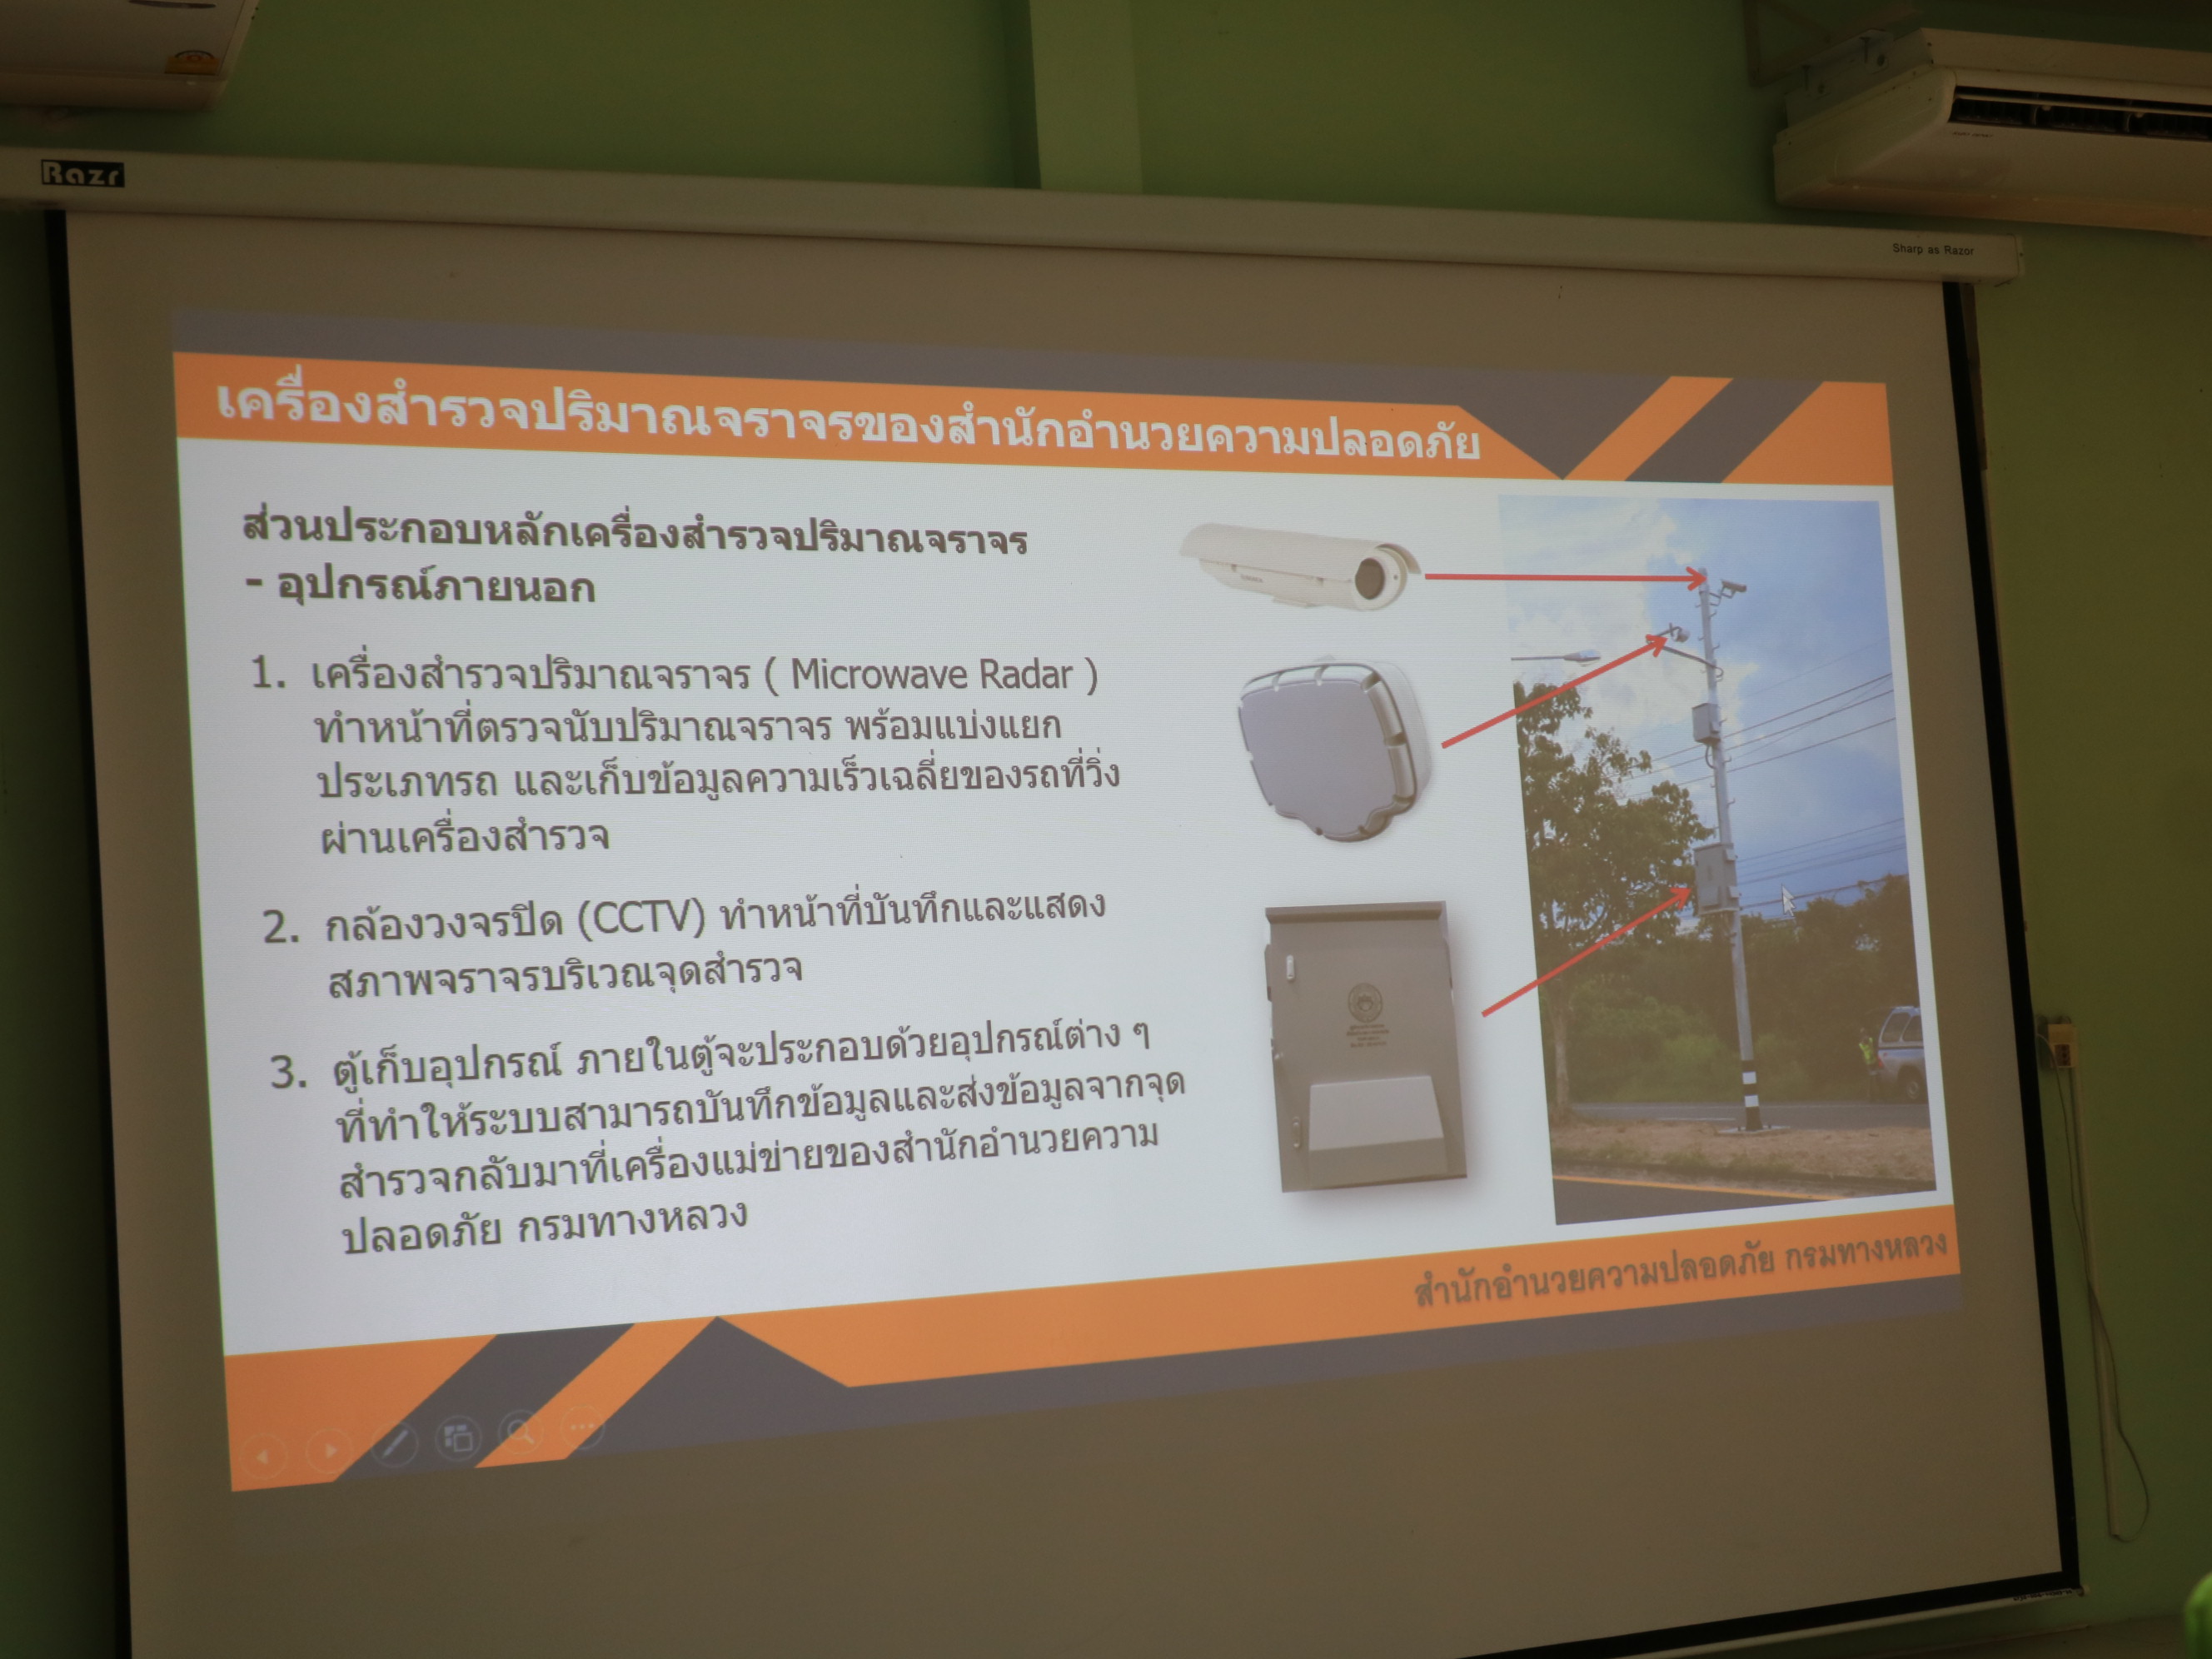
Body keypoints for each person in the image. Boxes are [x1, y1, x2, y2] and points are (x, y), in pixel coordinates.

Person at [1858, 1030, 1879, 1102]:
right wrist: (1865, 1063)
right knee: (1871, 1080)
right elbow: (1862, 1055)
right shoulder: (1861, 1045)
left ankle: (1879, 1095)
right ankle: (1871, 1096)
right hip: (1869, 1064)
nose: (1865, 1038)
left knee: (1876, 1078)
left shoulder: (1870, 1040)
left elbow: (1875, 1048)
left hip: (1875, 1062)